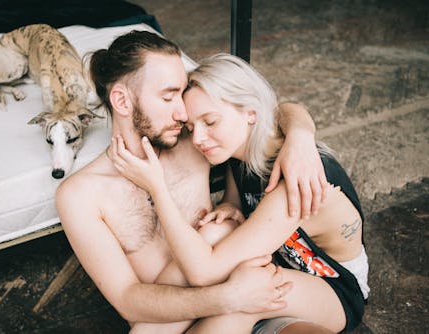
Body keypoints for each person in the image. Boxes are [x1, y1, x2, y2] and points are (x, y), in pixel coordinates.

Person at [56, 30, 328, 333]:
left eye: (182, 94)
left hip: (255, 294)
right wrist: (228, 297)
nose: (183, 111)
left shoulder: (194, 140)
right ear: (122, 100)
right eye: (169, 96)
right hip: (174, 322)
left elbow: (268, 110)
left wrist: (301, 136)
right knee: (212, 233)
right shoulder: (80, 195)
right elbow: (127, 299)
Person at [111, 53, 370, 333]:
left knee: (239, 306)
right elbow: (284, 111)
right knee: (215, 236)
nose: (197, 138)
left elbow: (204, 272)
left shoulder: (293, 180)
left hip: (332, 283)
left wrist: (157, 188)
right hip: (278, 260)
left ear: (250, 112)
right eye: (190, 127)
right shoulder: (240, 152)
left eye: (210, 122)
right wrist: (228, 205)